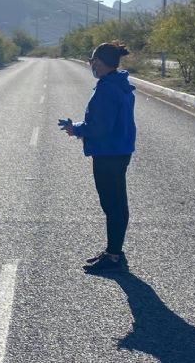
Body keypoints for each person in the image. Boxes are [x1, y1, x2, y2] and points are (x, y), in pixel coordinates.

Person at [60, 41, 136, 274]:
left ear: (99, 62)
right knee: (117, 203)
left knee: (112, 204)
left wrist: (77, 129)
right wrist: (80, 127)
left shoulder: (106, 88)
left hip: (108, 153)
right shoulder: (120, 84)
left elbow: (100, 127)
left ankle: (113, 256)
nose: (90, 65)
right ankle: (114, 251)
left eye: (92, 61)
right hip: (119, 151)